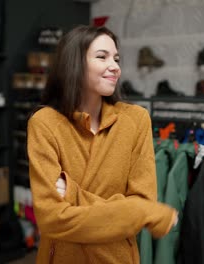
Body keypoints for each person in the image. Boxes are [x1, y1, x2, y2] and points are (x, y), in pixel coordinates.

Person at [27, 25, 178, 264]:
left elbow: (142, 203)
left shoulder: (136, 120)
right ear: (74, 63)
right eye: (102, 57)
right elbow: (51, 219)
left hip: (117, 258)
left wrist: (73, 194)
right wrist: (134, 212)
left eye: (116, 58)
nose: (115, 66)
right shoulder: (44, 123)